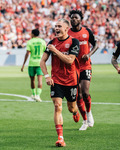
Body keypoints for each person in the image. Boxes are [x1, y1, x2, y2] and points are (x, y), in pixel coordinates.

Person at [40, 19, 80, 147]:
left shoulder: (74, 42)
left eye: (59, 26)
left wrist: (55, 51)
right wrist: (47, 76)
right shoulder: (51, 43)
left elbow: (69, 61)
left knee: (71, 107)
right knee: (57, 106)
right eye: (55, 26)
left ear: (66, 28)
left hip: (71, 80)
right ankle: (60, 138)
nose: (56, 28)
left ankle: (75, 112)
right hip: (56, 81)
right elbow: (42, 61)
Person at [68, 10, 98, 130]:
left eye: (76, 17)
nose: (73, 19)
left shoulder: (87, 31)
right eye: (72, 18)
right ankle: (85, 121)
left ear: (81, 20)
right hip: (73, 67)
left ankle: (89, 113)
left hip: (85, 66)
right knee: (78, 95)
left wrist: (89, 54)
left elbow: (96, 45)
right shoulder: (67, 33)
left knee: (85, 92)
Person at [21, 29, 46, 102]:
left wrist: (23, 65)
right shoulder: (42, 42)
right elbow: (46, 52)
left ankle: (34, 94)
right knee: (40, 80)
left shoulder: (30, 42)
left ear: (32, 34)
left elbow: (27, 53)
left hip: (32, 63)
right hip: (40, 63)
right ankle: (38, 95)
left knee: (32, 80)